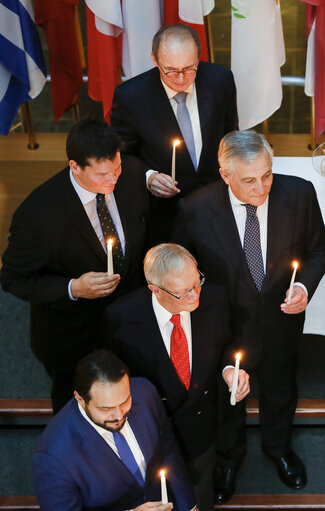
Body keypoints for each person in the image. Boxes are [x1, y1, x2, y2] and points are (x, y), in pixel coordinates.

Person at [172, 130, 325, 501]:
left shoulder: (300, 193)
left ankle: (279, 448)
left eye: (267, 175)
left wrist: (304, 287)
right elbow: (180, 268)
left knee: (280, 387)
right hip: (222, 326)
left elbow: (318, 249)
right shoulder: (195, 209)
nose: (261, 187)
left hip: (280, 321)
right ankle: (228, 458)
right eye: (249, 179)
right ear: (225, 175)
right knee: (228, 396)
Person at [0, 119, 149, 413]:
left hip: (131, 319)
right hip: (73, 334)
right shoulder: (38, 214)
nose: (113, 180)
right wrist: (73, 288)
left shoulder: (129, 173)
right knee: (77, 408)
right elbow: (13, 279)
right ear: (75, 166)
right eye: (103, 174)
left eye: (116, 168)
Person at [105, 244, 250, 511]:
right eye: (184, 292)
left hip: (201, 426)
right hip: (153, 429)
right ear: (155, 289)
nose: (195, 296)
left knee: (199, 495)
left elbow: (229, 343)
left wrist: (230, 368)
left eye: (197, 283)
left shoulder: (215, 299)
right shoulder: (122, 317)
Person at [111, 24, 238, 243]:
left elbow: (230, 134)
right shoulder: (131, 96)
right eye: (170, 70)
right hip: (165, 211)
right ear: (154, 59)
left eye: (189, 68)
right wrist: (149, 177)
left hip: (217, 201)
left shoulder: (220, 80)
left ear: (199, 58)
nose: (180, 79)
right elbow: (121, 155)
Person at [32, 350, 197, 511]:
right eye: (106, 408)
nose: (119, 415)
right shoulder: (52, 457)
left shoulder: (144, 392)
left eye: (125, 401)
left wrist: (189, 507)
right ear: (80, 399)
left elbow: (169, 451)